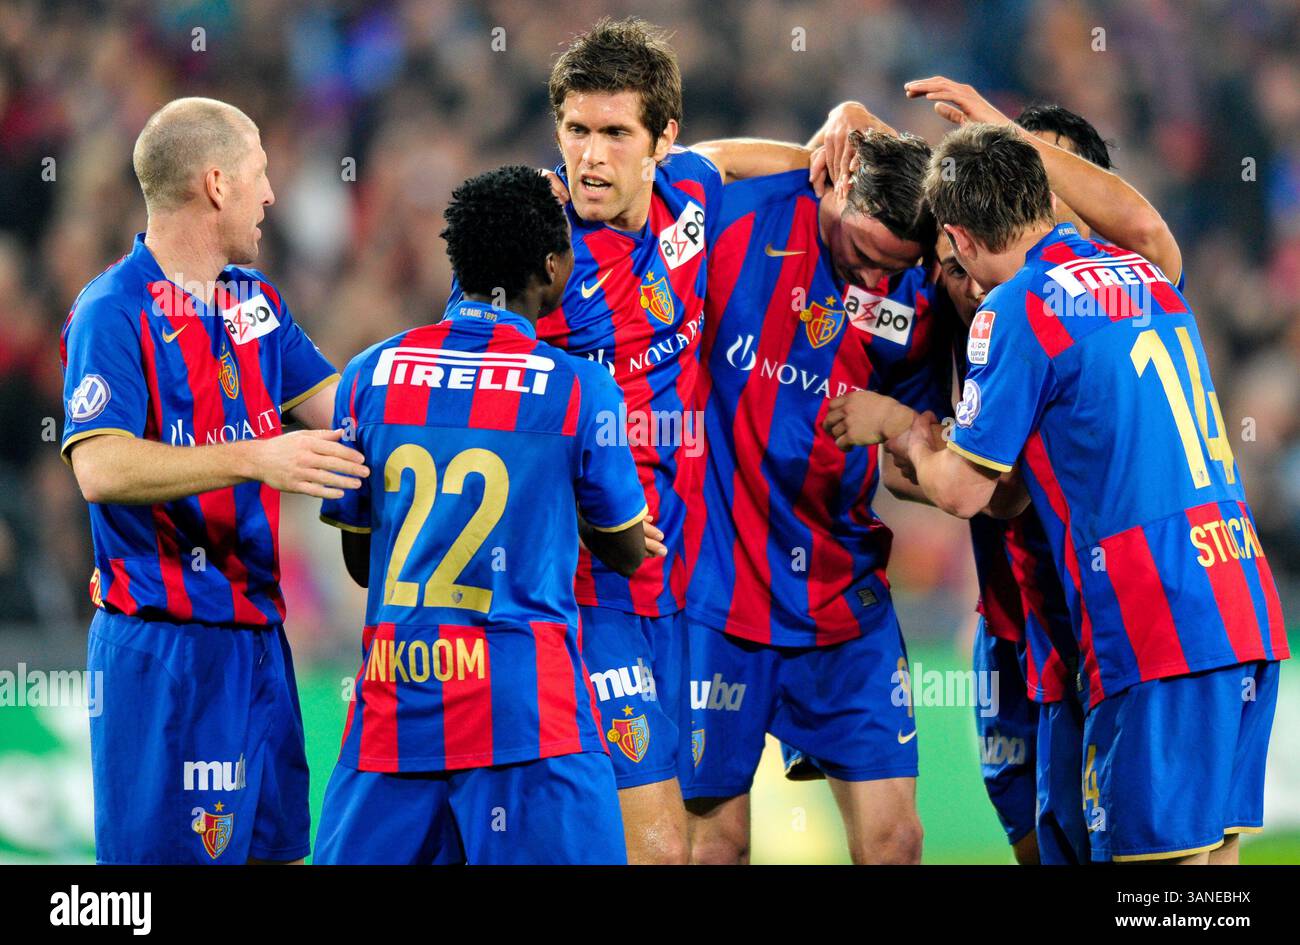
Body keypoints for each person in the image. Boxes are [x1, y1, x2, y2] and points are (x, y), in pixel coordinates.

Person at [448, 17, 809, 863]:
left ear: (661, 141)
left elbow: (726, 160)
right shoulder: (537, 252)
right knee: (651, 849)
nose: (592, 157)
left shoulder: (688, 188)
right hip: (583, 585)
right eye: (576, 130)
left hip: (683, 582)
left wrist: (824, 145)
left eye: (616, 134)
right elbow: (460, 388)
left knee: (704, 835)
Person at [897, 123, 1288, 863]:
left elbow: (960, 490)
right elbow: (1144, 221)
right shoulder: (1141, 270)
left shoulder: (1016, 309)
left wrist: (908, 430)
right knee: (1213, 864)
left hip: (1153, 615)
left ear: (959, 236)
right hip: (1241, 598)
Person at [313, 165, 658, 865]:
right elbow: (628, 551)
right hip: (528, 715)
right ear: (555, 266)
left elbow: (361, 559)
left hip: (396, 707)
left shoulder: (368, 375)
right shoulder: (578, 388)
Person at [60, 97, 362, 864]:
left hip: (259, 643)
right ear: (218, 183)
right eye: (260, 174)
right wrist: (255, 455)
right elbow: (99, 465)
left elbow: (348, 406)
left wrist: (465, 365)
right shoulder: (112, 311)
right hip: (163, 653)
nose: (271, 195)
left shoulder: (253, 303)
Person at [683, 125, 944, 865]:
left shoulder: (918, 297)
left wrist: (906, 433)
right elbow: (669, 167)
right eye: (861, 254)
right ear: (834, 185)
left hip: (842, 592)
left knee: (897, 841)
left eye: (889, 269)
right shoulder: (738, 219)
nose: (868, 283)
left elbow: (907, 469)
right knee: (716, 843)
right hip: (721, 591)